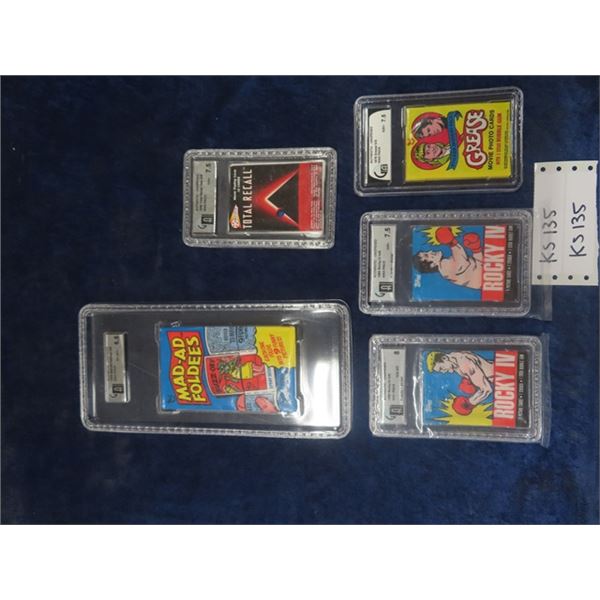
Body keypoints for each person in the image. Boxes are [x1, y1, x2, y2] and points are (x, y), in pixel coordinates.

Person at [413, 226, 483, 290]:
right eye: (427, 255)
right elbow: (461, 264)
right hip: (485, 278)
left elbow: (474, 265)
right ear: (432, 265)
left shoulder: (444, 266)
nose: (430, 251)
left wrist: (476, 250)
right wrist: (452, 243)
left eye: (426, 252)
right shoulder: (445, 267)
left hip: (484, 274)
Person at [426, 350, 494, 415]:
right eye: (440, 371)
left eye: (441, 368)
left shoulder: (464, 363)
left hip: (497, 376)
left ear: (444, 358)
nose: (443, 372)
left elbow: (486, 390)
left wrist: (469, 404)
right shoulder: (454, 358)